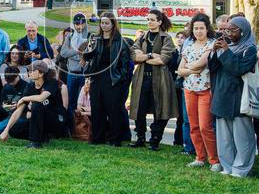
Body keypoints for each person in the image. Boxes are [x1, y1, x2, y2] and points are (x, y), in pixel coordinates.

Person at [207, 16, 259, 177]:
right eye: (225, 30)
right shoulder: (226, 47)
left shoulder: (249, 49)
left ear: (243, 32)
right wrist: (214, 52)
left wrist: (226, 52)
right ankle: (227, 166)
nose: (227, 33)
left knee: (242, 137)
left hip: (239, 97)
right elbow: (213, 68)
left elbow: (238, 69)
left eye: (231, 30)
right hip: (222, 95)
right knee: (224, 138)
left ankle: (241, 168)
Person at [81, 11, 133, 146]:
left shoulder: (119, 41)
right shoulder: (95, 39)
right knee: (97, 109)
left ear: (113, 24)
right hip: (97, 77)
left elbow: (125, 63)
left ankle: (115, 139)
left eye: (106, 23)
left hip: (112, 78)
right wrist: (89, 51)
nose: (103, 26)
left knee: (113, 110)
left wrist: (120, 77)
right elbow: (88, 57)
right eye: (102, 23)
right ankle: (98, 138)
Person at [129, 9, 179, 150]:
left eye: (152, 19)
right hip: (142, 79)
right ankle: (140, 138)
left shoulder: (166, 38)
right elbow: (134, 56)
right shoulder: (142, 37)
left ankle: (155, 139)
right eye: (148, 19)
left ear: (159, 21)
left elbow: (163, 59)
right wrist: (151, 55)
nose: (149, 22)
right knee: (139, 108)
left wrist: (144, 57)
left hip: (161, 79)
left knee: (160, 109)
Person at [178, 13, 218, 169]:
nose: (198, 31)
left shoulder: (212, 44)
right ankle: (200, 157)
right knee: (193, 126)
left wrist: (188, 68)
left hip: (205, 89)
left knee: (205, 126)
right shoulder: (188, 46)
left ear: (207, 29)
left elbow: (201, 64)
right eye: (196, 28)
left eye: (201, 28)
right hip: (189, 89)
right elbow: (180, 70)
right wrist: (189, 70)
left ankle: (214, 160)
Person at [0, 59, 65, 148]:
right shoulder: (30, 86)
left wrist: (23, 99)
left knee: (36, 104)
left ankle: (35, 143)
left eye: (33, 70)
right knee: (14, 130)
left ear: (41, 74)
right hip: (40, 121)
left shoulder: (52, 83)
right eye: (29, 70)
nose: (30, 72)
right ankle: (42, 136)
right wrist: (6, 130)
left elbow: (41, 98)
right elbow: (19, 110)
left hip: (56, 120)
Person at [59, 13, 91, 129]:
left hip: (84, 74)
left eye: (82, 23)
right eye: (77, 24)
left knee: (84, 102)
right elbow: (63, 53)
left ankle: (84, 128)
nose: (79, 26)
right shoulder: (70, 37)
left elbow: (91, 54)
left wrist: (84, 56)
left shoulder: (90, 36)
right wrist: (77, 52)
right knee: (71, 101)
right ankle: (71, 127)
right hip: (72, 73)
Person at [0, 66, 30, 136]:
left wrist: (17, 106)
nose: (10, 83)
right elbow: (0, 106)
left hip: (23, 116)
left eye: (12, 81)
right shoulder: (6, 87)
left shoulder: (27, 86)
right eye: (8, 81)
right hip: (10, 116)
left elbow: (30, 106)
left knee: (14, 129)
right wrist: (5, 107)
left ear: (17, 76)